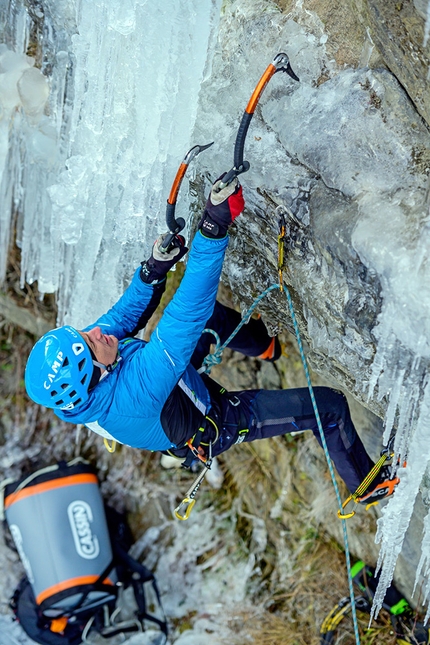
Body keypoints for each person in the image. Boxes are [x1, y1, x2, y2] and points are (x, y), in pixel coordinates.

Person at [25, 176, 399, 504]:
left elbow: (122, 319)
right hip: (216, 421)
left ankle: (266, 347)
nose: (94, 332)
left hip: (176, 389)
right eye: (89, 343)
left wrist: (152, 270)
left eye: (82, 333)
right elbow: (184, 314)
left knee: (213, 320)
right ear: (94, 373)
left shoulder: (88, 377)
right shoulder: (130, 395)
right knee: (329, 407)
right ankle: (368, 485)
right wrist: (213, 228)